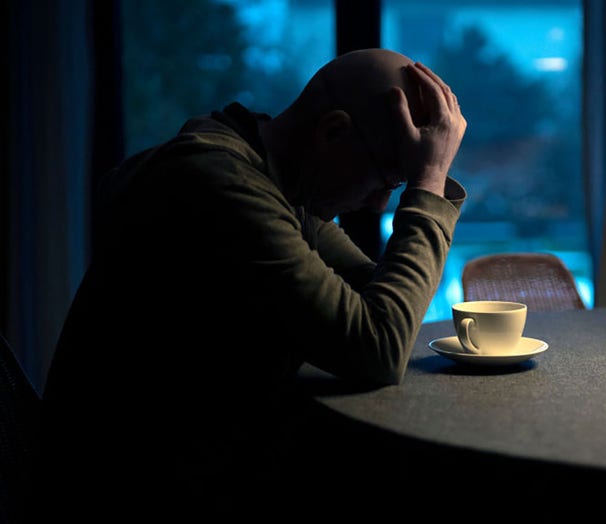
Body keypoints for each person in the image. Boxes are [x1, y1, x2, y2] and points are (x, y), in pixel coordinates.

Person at [37, 48, 467, 520]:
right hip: (131, 500)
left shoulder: (277, 181)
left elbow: (379, 300)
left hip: (201, 472)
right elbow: (379, 344)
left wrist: (425, 181)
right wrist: (427, 183)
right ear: (333, 133)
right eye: (386, 179)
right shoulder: (222, 186)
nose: (377, 205)